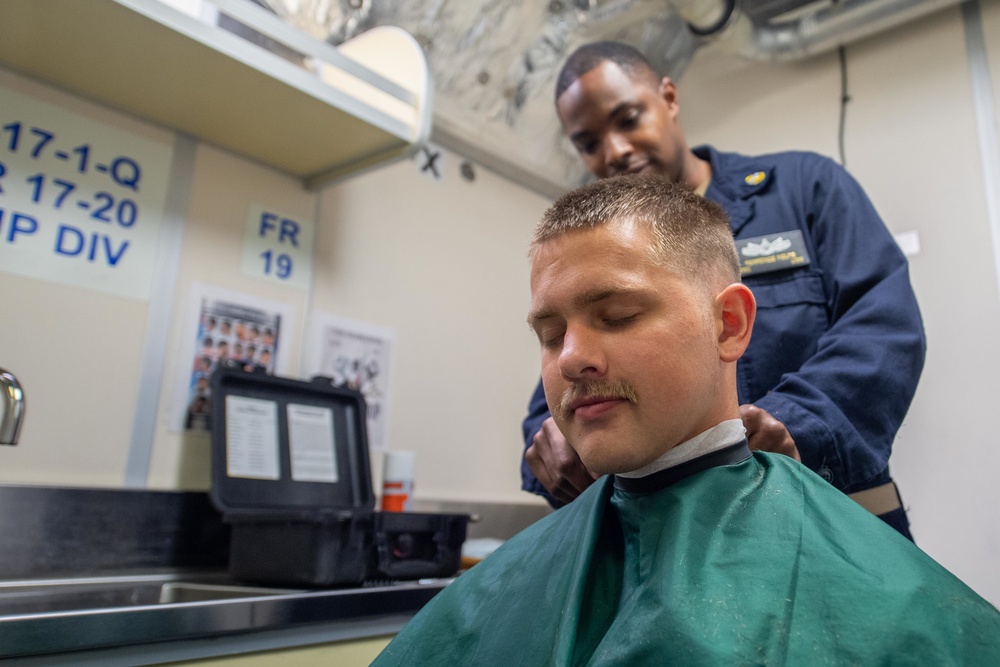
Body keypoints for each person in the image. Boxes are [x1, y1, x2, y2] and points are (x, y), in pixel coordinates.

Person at [373, 175, 999, 666]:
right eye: (550, 332)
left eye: (616, 315)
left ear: (729, 325)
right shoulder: (496, 594)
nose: (572, 358)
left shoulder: (890, 604)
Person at [522, 41, 926, 539]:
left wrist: (793, 423)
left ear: (668, 98)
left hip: (830, 520)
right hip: (663, 543)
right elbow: (569, 360)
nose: (614, 151)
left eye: (628, 118)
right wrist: (551, 439)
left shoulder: (803, 188)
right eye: (588, 143)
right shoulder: (593, 246)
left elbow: (884, 330)